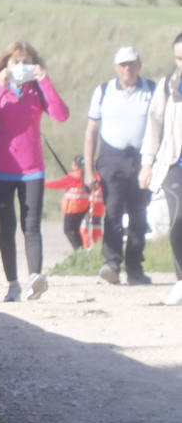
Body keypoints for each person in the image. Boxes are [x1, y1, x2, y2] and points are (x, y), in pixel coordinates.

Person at [0, 40, 70, 302]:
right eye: (15, 62)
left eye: (25, 62)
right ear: (5, 65)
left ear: (34, 65)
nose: (20, 66)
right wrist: (0, 86)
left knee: (31, 226)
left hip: (32, 169)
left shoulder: (37, 90)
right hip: (0, 169)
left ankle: (35, 279)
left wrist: (45, 81)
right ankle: (12, 284)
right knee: (6, 226)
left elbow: (61, 115)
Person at [84, 46, 156, 285]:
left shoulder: (151, 90)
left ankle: (135, 267)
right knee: (113, 210)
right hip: (111, 157)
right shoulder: (103, 91)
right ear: (116, 67)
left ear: (139, 65)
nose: (128, 68)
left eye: (132, 63)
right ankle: (112, 262)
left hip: (141, 157)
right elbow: (91, 131)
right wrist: (88, 169)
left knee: (138, 213)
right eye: (123, 64)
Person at [140, 31, 182, 306]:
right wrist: (147, 162)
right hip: (175, 164)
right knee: (178, 220)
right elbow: (153, 125)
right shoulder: (168, 86)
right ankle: (180, 280)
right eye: (179, 57)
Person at [44, 155, 105, 250]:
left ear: (75, 164)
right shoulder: (89, 175)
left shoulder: (74, 176)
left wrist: (43, 184)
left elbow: (57, 184)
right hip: (84, 208)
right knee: (76, 230)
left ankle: (79, 250)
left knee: (68, 230)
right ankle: (81, 250)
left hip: (73, 208)